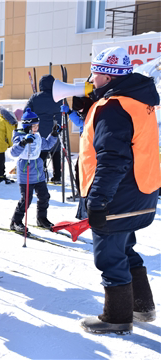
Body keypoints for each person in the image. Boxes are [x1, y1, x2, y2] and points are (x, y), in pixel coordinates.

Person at [78, 46, 159, 335]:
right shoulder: (138, 100)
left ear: (108, 77)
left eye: (96, 73)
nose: (92, 79)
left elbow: (112, 159)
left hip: (118, 196)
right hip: (141, 191)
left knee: (109, 256)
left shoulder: (113, 108)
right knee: (125, 249)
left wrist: (98, 200)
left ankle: (117, 317)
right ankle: (141, 307)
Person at [9, 108, 59, 233]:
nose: (37, 128)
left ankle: (41, 218)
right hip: (25, 173)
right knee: (26, 200)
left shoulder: (37, 137)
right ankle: (16, 221)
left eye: (37, 125)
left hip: (38, 173)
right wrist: (24, 142)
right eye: (34, 126)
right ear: (27, 126)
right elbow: (14, 152)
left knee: (44, 196)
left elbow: (46, 145)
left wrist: (53, 135)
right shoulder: (19, 136)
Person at [24, 75, 63, 183]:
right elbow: (64, 113)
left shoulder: (35, 97)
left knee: (41, 153)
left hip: (39, 130)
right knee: (56, 152)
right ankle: (57, 177)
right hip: (55, 129)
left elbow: (26, 113)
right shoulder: (59, 97)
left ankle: (41, 174)